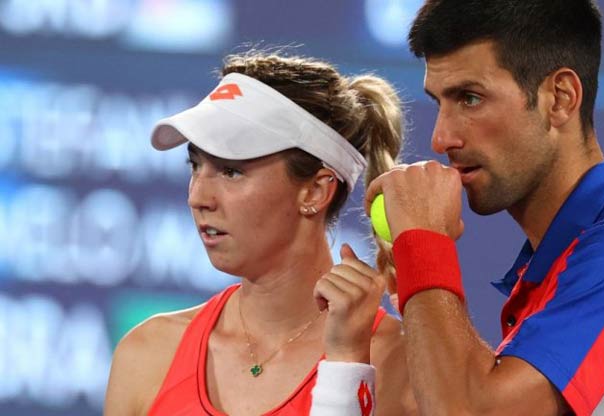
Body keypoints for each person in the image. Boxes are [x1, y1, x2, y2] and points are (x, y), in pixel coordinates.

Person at [364, 0, 604, 415]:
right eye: (439, 103)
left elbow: (467, 411)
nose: (441, 138)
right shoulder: (557, 263)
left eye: (470, 98)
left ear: (560, 98)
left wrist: (424, 244)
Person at [104, 50, 417, 415]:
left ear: (315, 191)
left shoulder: (403, 367)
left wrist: (348, 363)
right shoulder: (148, 353)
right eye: (195, 166)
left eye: (231, 171)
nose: (198, 197)